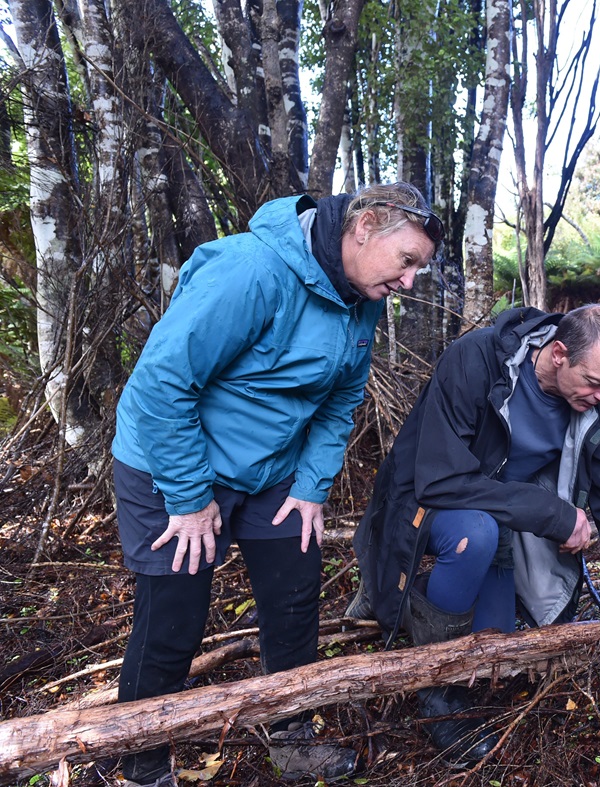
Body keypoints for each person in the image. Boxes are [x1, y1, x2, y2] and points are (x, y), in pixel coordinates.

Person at [111, 182, 441, 787]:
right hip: (170, 468)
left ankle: (291, 739)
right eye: (407, 261)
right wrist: (188, 499)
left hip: (270, 473)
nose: (409, 283)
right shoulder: (251, 271)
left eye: (419, 268)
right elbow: (160, 385)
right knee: (172, 623)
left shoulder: (359, 294)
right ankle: (143, 764)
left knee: (294, 604)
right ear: (364, 226)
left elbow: (342, 399)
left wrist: (312, 484)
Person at [349, 304, 600, 765]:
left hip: (505, 517)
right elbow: (440, 479)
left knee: (495, 648)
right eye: (596, 382)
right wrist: (552, 513)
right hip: (426, 504)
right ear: (559, 353)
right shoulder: (477, 360)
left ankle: (430, 602)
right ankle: (437, 693)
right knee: (474, 535)